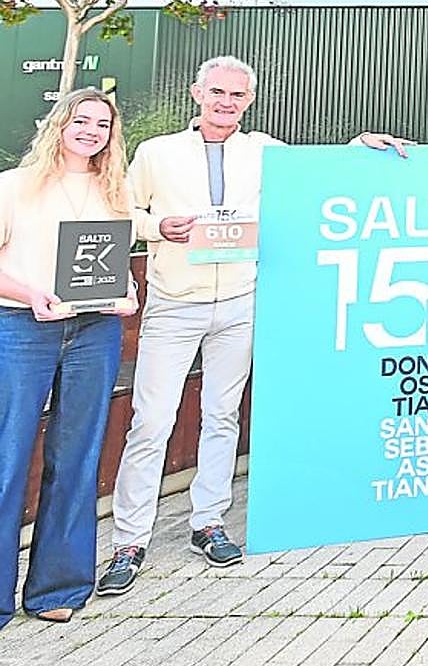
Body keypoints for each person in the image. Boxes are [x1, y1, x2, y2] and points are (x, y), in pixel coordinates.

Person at [96, 56, 409, 596]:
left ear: (248, 101)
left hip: (239, 302)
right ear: (197, 93)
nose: (226, 102)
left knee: (222, 415)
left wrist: (358, 145)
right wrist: (155, 226)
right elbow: (120, 209)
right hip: (174, 302)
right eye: (216, 92)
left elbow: (315, 173)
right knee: (151, 422)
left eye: (236, 95)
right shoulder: (157, 153)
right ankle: (130, 540)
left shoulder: (262, 150)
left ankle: (208, 523)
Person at [0, 89, 139, 628]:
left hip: (94, 332)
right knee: (7, 459)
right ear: (59, 125)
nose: (90, 130)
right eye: (80, 120)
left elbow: (114, 261)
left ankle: (59, 587)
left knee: (77, 457)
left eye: (101, 124)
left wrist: (127, 293)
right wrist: (31, 295)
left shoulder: (115, 191)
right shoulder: (14, 187)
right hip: (21, 327)